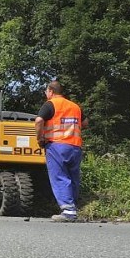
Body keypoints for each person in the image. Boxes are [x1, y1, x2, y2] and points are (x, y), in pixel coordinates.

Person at [35, 80, 86, 222]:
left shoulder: (50, 104)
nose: (46, 94)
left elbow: (39, 121)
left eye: (46, 91)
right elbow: (85, 123)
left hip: (57, 146)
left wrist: (40, 138)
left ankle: (68, 211)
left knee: (59, 176)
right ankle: (72, 208)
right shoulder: (75, 106)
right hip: (75, 146)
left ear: (51, 91)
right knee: (73, 177)